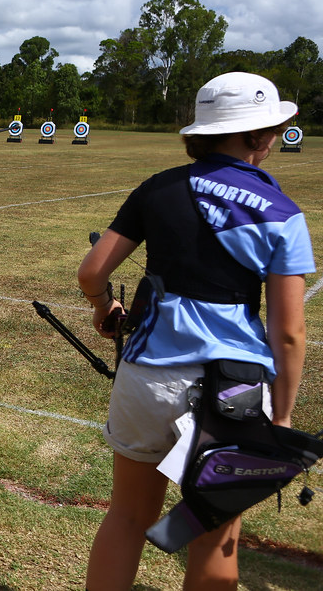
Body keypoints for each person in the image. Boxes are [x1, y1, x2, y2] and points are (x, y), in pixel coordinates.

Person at [78, 72, 314, 590]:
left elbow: (92, 272)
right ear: (255, 135)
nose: (275, 139)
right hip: (233, 391)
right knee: (215, 533)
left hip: (145, 378)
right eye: (272, 129)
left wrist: (103, 306)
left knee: (127, 516)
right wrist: (282, 416)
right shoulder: (282, 212)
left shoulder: (158, 188)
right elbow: (289, 332)